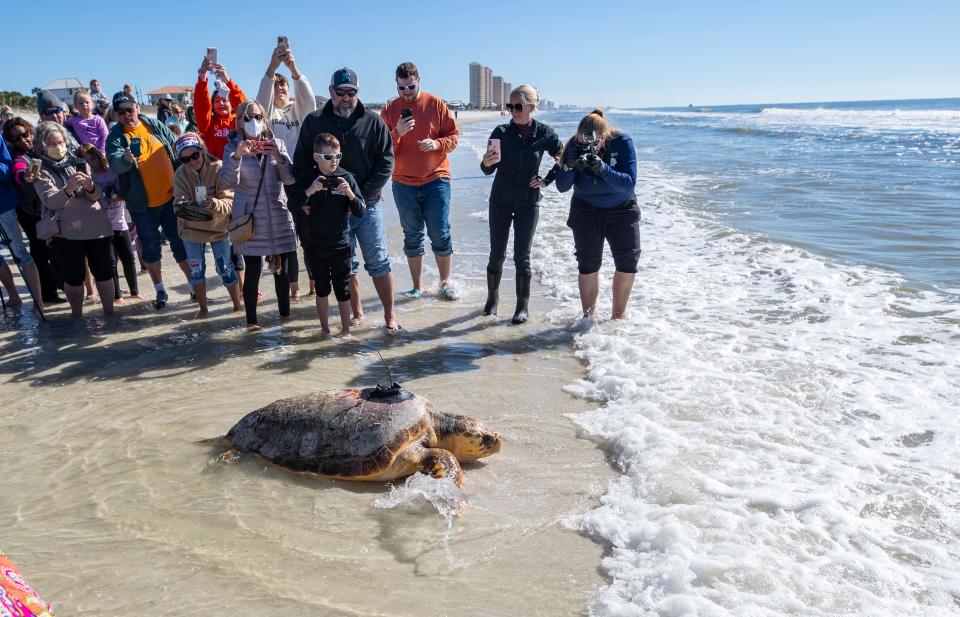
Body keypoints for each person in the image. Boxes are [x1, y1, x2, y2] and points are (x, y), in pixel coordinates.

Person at [292, 67, 398, 332]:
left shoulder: (373, 122)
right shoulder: (314, 121)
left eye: (351, 93)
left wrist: (360, 194)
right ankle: (357, 313)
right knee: (346, 264)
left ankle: (390, 316)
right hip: (330, 210)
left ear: (357, 93)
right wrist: (311, 191)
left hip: (367, 204)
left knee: (378, 260)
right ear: (331, 92)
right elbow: (301, 164)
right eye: (340, 93)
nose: (346, 98)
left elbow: (386, 162)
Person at [480, 84, 562, 324]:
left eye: (518, 106)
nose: (513, 110)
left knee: (522, 256)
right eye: (510, 106)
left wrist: (547, 180)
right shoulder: (501, 132)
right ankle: (492, 299)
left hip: (528, 202)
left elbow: (563, 156)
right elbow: (487, 169)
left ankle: (522, 307)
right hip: (501, 201)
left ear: (532, 108)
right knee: (497, 254)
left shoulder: (544, 133)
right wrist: (486, 162)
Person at [380, 61, 459, 300]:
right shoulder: (390, 110)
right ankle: (418, 286)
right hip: (403, 183)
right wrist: (397, 133)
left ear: (419, 82)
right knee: (412, 235)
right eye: (402, 87)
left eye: (411, 87)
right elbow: (381, 149)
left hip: (436, 179)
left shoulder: (435, 104)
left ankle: (445, 283)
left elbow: (453, 137)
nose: (406, 92)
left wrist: (437, 144)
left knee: (440, 232)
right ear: (396, 84)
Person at [105, 91, 190, 309]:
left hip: (172, 199)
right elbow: (115, 164)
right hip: (142, 206)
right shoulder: (114, 136)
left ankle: (194, 286)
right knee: (151, 250)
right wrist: (125, 159)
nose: (126, 115)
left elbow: (176, 146)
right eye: (121, 112)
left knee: (181, 246)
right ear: (116, 114)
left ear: (137, 108)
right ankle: (161, 292)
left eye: (129, 109)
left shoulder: (153, 125)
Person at [555, 109, 639, 319]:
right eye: (583, 140)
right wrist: (568, 166)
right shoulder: (574, 144)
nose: (588, 145)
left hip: (622, 207)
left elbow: (628, 184)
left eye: (593, 141)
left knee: (627, 263)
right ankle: (588, 318)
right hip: (586, 208)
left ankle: (617, 319)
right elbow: (562, 187)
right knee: (588, 264)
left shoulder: (621, 141)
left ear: (603, 136)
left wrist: (603, 169)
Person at [221, 100, 297, 330]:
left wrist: (280, 158)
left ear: (264, 119)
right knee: (253, 270)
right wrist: (236, 157)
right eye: (247, 118)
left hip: (277, 215)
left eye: (258, 117)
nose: (253, 122)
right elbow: (226, 183)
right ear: (240, 122)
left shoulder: (277, 143)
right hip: (250, 219)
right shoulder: (232, 147)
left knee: (280, 269)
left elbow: (290, 179)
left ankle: (285, 320)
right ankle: (251, 323)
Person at [32, 121, 115, 317]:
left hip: (97, 227)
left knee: (104, 273)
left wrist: (89, 186)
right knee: (74, 278)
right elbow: (51, 201)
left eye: (60, 142)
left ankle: (110, 315)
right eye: (52, 144)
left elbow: (95, 195)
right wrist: (69, 188)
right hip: (67, 233)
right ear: (43, 145)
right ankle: (76, 317)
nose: (58, 147)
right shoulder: (39, 169)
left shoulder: (78, 161)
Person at [255, 42, 317, 301]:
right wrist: (272, 67)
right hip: (275, 183)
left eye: (284, 85)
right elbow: (260, 101)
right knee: (285, 240)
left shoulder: (299, 111)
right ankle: (294, 288)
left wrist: (293, 68)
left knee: (309, 236)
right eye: (276, 85)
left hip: (302, 181)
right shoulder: (268, 115)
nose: (280, 88)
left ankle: (315, 284)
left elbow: (310, 101)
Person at [301, 133, 365, 335]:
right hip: (316, 245)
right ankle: (325, 330)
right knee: (321, 289)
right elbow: (293, 204)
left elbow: (360, 210)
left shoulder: (346, 177)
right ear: (316, 157)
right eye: (328, 157)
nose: (334, 161)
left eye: (338, 156)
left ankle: (346, 331)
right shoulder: (309, 178)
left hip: (341, 245)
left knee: (342, 290)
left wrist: (350, 194)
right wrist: (309, 192)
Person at [173, 132, 242, 317]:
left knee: (226, 268)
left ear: (202, 150)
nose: (192, 161)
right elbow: (177, 205)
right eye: (186, 159)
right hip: (191, 231)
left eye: (195, 155)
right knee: (196, 272)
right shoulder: (180, 174)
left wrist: (213, 204)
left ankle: (237, 307)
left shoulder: (219, 167)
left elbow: (230, 202)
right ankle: (203, 310)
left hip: (219, 229)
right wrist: (188, 206)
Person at [3, 117, 64, 303]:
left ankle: (67, 286)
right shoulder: (17, 158)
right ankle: (48, 294)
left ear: (31, 131)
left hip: (55, 206)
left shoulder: (44, 147)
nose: (23, 140)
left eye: (25, 134)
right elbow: (18, 171)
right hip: (31, 212)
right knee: (39, 251)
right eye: (16, 139)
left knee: (61, 248)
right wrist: (26, 177)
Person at [77, 144, 140, 302]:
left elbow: (127, 192)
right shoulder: (89, 178)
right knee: (111, 262)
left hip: (120, 222)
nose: (91, 163)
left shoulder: (112, 171)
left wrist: (119, 196)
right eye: (87, 161)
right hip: (102, 226)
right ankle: (117, 295)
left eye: (92, 158)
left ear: (99, 156)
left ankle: (134, 292)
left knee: (128, 258)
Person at [0, 132, 45, 312]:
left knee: (19, 252)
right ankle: (14, 296)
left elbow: (7, 169)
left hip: (4, 205)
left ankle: (38, 302)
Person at [194, 58, 246, 160]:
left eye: (225, 100)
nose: (221, 103)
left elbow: (245, 107)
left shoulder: (240, 121)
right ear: (212, 106)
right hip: (215, 171)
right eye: (217, 101)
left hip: (238, 169)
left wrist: (227, 80)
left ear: (232, 104)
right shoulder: (208, 125)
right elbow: (202, 106)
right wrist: (202, 77)